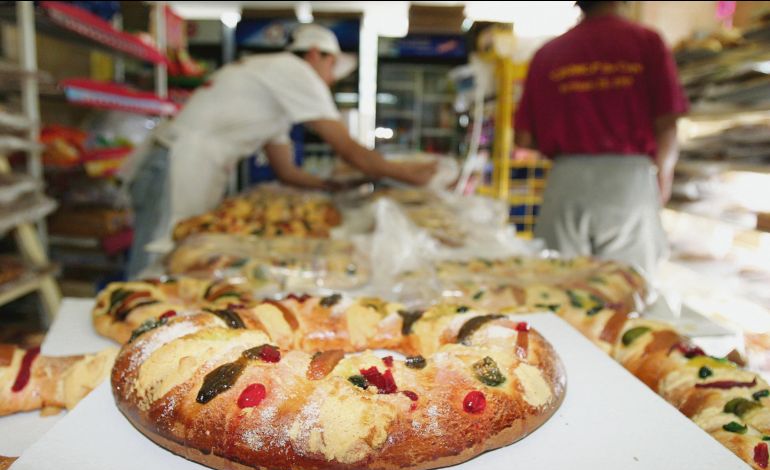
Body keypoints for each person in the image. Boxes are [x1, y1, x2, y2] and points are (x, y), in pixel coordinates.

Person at [122, 24, 437, 278]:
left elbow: (286, 171)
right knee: (158, 258)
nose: (330, 79)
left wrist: (335, 187)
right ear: (316, 55)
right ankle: (133, 324)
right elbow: (348, 149)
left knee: (186, 257)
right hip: (178, 162)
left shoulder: (274, 84)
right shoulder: (294, 71)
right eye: (332, 67)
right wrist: (407, 174)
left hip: (192, 163)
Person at [514, 1, 688, 277]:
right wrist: (663, 178)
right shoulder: (646, 41)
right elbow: (667, 123)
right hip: (628, 182)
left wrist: (569, 137)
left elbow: (524, 137)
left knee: (561, 284)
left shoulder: (548, 53)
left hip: (566, 181)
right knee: (629, 286)